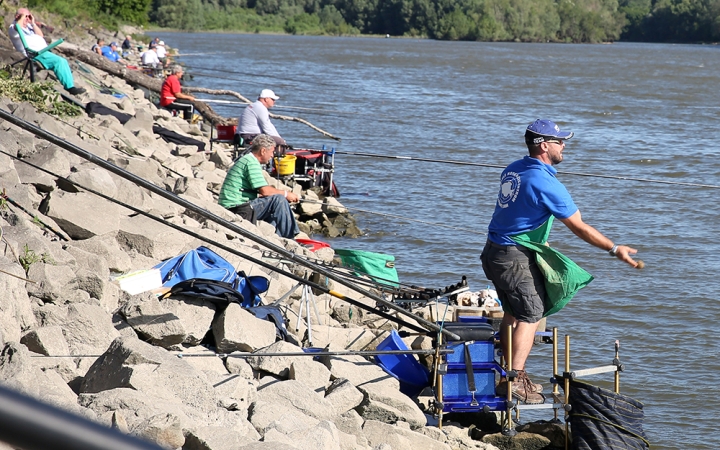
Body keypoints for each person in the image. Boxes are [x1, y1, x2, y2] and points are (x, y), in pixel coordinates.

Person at [480, 119, 639, 404]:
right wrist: (615, 249)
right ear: (544, 145)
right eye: (559, 141)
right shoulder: (546, 183)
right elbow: (580, 227)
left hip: (494, 252)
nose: (564, 145)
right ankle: (514, 379)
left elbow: (520, 210)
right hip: (514, 258)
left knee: (512, 313)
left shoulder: (514, 168)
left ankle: (507, 373)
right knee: (532, 313)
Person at [218, 134, 300, 239]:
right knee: (279, 200)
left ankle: (276, 240)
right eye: (272, 152)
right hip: (237, 210)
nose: (272, 156)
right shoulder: (250, 162)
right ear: (263, 151)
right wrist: (286, 194)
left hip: (236, 208)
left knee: (275, 211)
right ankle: (291, 239)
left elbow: (260, 192)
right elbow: (265, 191)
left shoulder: (247, 160)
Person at [8, 7, 85, 96]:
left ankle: (68, 81)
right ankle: (70, 88)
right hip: (35, 54)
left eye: (28, 16)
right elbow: (18, 26)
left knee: (62, 61)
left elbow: (40, 35)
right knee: (60, 61)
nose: (27, 19)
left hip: (43, 52)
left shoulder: (29, 26)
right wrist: (22, 17)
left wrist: (33, 23)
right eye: (25, 16)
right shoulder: (13, 27)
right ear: (18, 16)